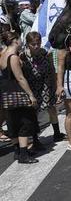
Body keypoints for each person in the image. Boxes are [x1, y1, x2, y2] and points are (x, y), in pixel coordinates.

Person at [1, 31, 40, 163]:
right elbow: (20, 78)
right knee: (25, 122)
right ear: (16, 41)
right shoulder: (13, 57)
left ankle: (18, 151)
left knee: (12, 122)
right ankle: (23, 154)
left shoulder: (2, 54)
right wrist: (31, 94)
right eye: (20, 39)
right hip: (17, 91)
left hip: (6, 92)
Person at [21, 31, 63, 141]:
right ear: (28, 44)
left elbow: (51, 70)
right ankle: (35, 139)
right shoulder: (23, 57)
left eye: (38, 43)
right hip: (32, 87)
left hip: (45, 85)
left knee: (51, 108)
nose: (36, 46)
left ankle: (57, 133)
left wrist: (54, 86)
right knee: (33, 113)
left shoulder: (45, 53)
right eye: (33, 44)